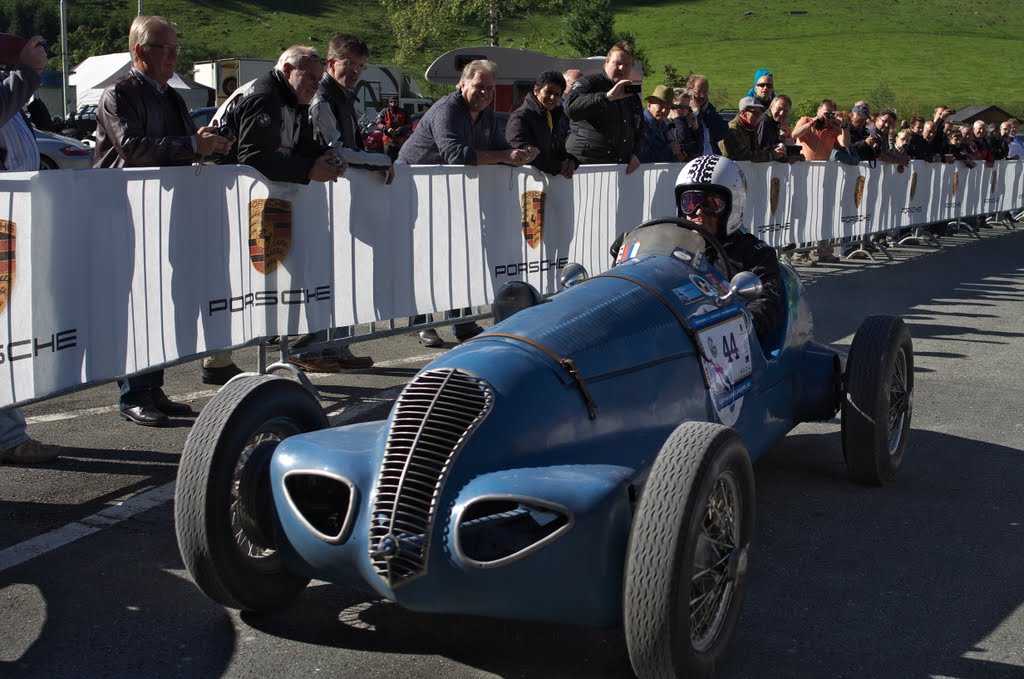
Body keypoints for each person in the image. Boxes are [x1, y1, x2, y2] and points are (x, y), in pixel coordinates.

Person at [94, 15, 235, 426]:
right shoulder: (118, 93)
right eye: (165, 48)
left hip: (162, 213)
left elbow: (181, 146)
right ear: (140, 51)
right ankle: (134, 392)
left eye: (177, 48)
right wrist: (193, 143)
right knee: (138, 301)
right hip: (124, 212)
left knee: (159, 299)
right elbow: (133, 148)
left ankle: (152, 387)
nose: (174, 56)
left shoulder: (169, 95)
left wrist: (206, 142)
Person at [398, 59, 538, 347]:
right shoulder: (447, 110)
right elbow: (455, 154)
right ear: (462, 85)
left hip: (454, 196)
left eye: (489, 87)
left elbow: (499, 147)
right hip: (416, 191)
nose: (484, 93)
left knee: (461, 257)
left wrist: (519, 154)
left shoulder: (485, 114)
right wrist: (502, 157)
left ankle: (462, 323)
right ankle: (422, 323)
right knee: (428, 259)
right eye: (478, 86)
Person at [295, 33, 387, 372]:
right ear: (331, 63)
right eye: (349, 64)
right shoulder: (323, 98)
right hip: (322, 197)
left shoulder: (345, 96)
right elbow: (337, 150)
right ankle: (309, 348)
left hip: (344, 196)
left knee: (344, 272)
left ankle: (338, 345)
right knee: (324, 273)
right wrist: (382, 162)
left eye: (361, 66)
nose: (356, 72)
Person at [0, 34, 62, 463]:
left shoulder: (12, 94)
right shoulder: (10, 87)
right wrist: (25, 70)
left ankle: (8, 433)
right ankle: (8, 436)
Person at [563, 41, 644, 173]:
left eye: (627, 65)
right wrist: (607, 97)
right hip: (585, 166)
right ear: (606, 62)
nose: (622, 68)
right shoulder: (589, 82)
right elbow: (570, 107)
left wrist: (636, 153)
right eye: (617, 63)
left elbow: (640, 128)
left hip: (619, 169)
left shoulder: (631, 94)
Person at [506, 70, 576, 178]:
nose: (552, 98)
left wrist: (571, 161)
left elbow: (558, 151)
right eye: (548, 92)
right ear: (536, 90)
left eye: (557, 94)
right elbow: (519, 152)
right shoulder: (520, 117)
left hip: (549, 185)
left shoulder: (554, 116)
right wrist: (558, 167)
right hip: (524, 186)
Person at [719, 96, 784, 162]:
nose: (759, 116)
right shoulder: (733, 129)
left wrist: (773, 149)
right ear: (743, 113)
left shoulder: (750, 127)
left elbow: (755, 150)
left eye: (760, 113)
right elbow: (744, 156)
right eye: (755, 113)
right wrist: (772, 155)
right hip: (732, 170)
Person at [685, 74, 728, 156]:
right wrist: (696, 113)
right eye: (699, 92)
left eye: (705, 92)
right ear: (689, 91)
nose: (703, 96)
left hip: (712, 158)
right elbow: (693, 136)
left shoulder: (709, 109)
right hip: (695, 161)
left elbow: (722, 132)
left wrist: (706, 113)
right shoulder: (684, 111)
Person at [638, 84, 677, 163]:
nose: (664, 111)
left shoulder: (664, 126)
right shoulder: (641, 124)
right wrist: (669, 149)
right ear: (649, 104)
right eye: (661, 106)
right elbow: (643, 156)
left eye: (667, 108)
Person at [755, 94, 800, 162]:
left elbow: (773, 145)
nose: (781, 113)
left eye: (785, 111)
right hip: (759, 167)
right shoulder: (765, 121)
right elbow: (761, 148)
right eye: (779, 109)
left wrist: (791, 153)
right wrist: (786, 158)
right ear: (771, 106)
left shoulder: (775, 122)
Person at [667, 87, 700, 161]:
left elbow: (699, 149)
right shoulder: (665, 124)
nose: (684, 111)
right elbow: (683, 139)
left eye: (687, 107)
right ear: (671, 106)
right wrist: (677, 119)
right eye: (680, 107)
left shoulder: (685, 124)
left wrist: (695, 128)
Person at [376, 95, 411, 161]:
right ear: (389, 103)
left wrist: (402, 128)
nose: (393, 104)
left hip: (400, 140)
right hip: (388, 141)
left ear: (398, 102)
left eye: (395, 102)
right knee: (387, 161)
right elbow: (378, 123)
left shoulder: (404, 112)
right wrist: (387, 128)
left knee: (400, 162)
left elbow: (409, 124)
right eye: (391, 102)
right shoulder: (384, 112)